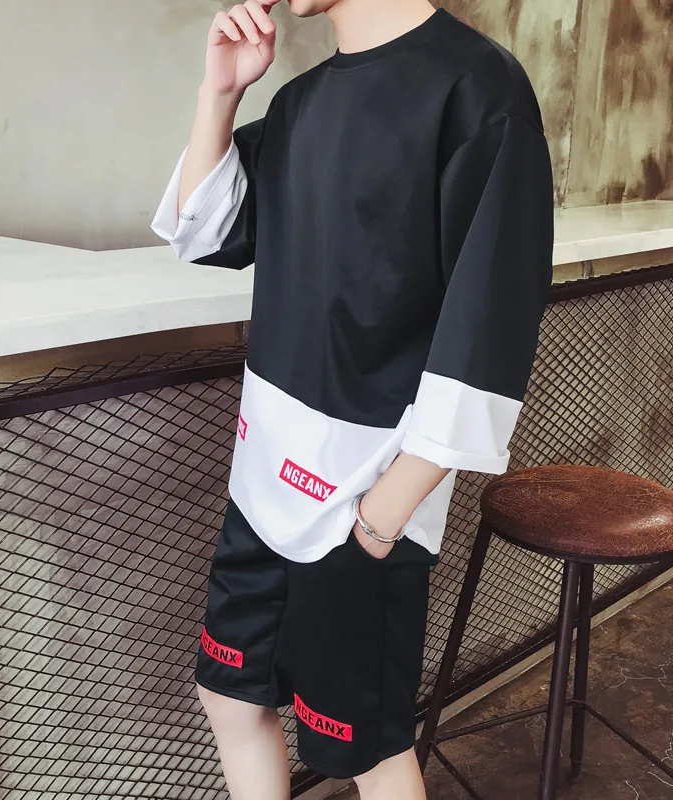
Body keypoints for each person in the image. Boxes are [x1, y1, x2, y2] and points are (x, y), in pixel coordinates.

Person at [151, 0, 554, 797]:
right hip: (262, 480)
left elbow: (489, 322)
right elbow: (207, 231)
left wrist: (380, 519)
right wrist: (219, 95)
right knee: (229, 693)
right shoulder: (301, 101)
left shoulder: (479, 86)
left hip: (364, 497)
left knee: (362, 746)